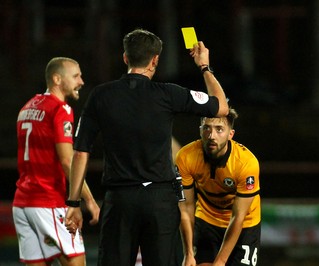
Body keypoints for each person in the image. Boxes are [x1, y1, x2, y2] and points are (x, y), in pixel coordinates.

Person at [64, 28, 229, 266]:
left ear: (125, 58)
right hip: (159, 201)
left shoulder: (101, 96)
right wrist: (204, 66)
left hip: (120, 200)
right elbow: (221, 107)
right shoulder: (168, 93)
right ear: (155, 60)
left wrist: (73, 203)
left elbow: (80, 153)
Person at [13, 57, 100, 265]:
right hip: (48, 202)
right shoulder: (61, 109)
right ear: (57, 79)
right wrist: (85, 200)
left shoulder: (27, 107)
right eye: (76, 76)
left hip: (23, 204)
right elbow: (68, 160)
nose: (81, 82)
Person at [176, 107, 261, 266]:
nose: (212, 135)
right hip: (207, 218)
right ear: (200, 130)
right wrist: (188, 253)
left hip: (244, 224)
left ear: (231, 134)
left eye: (219, 129)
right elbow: (186, 207)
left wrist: (221, 261)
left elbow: (238, 217)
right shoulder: (185, 157)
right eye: (207, 128)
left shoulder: (246, 163)